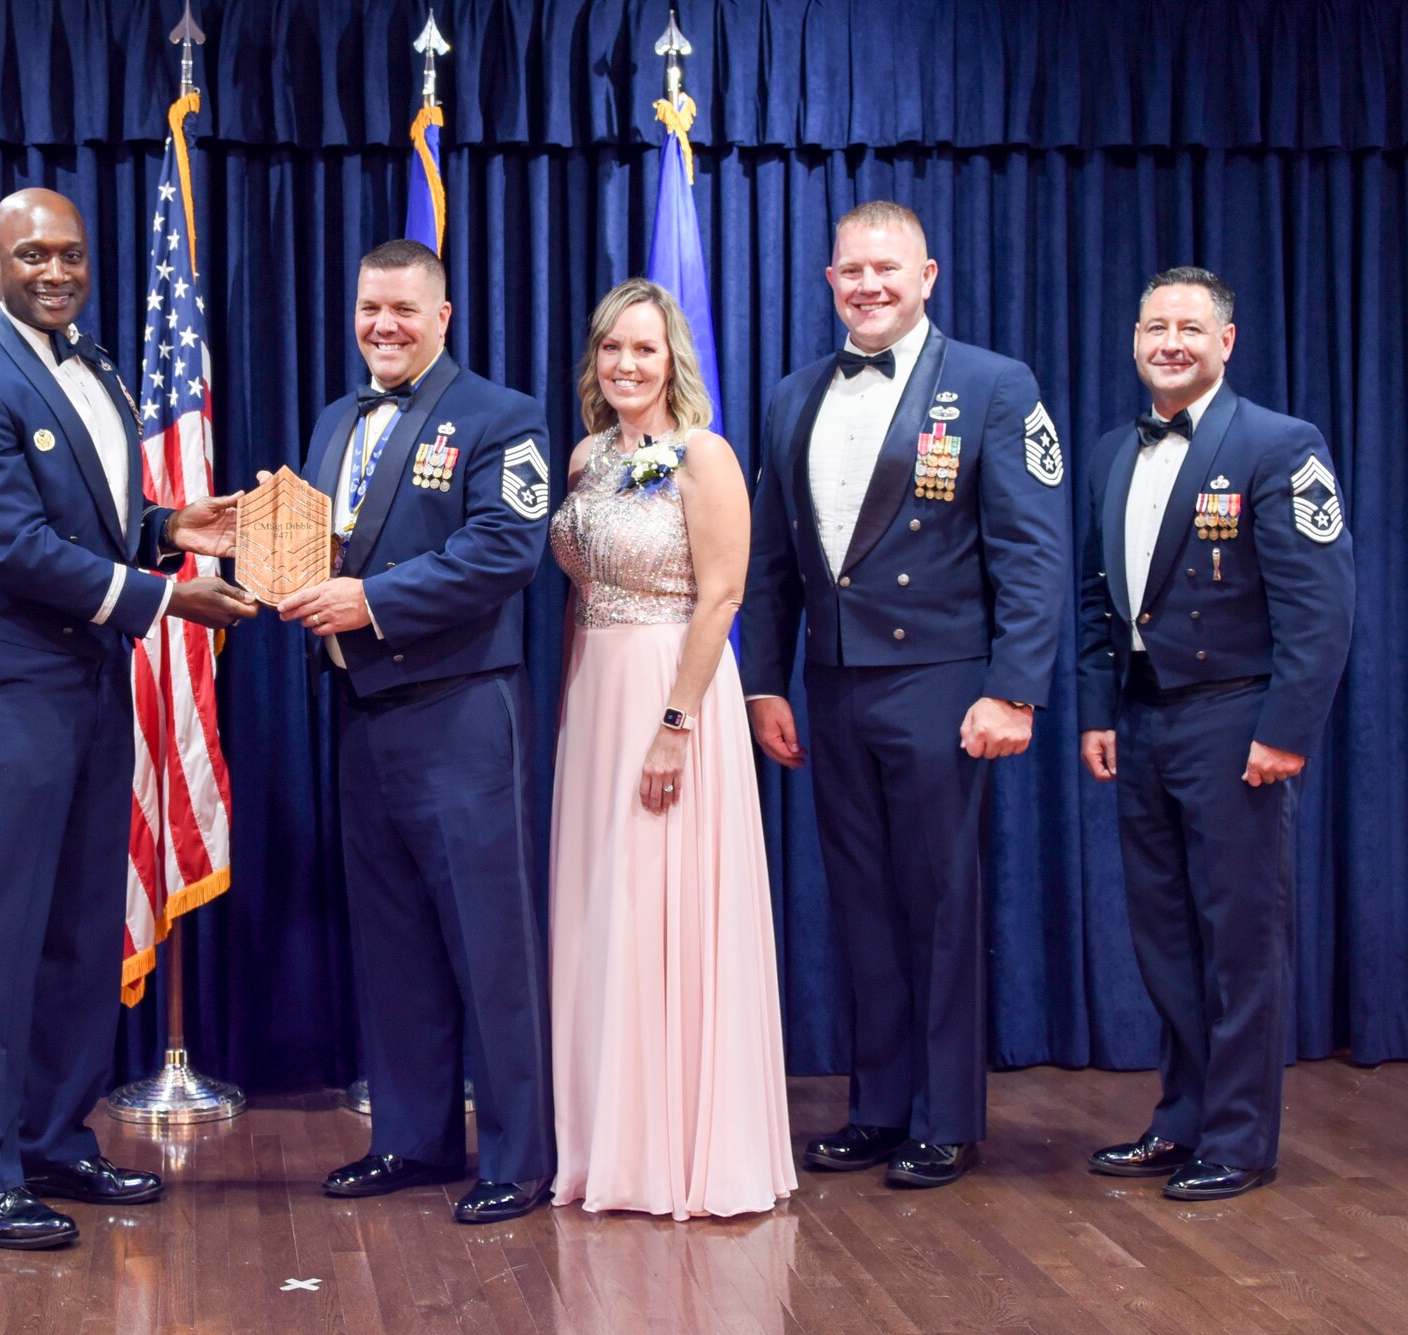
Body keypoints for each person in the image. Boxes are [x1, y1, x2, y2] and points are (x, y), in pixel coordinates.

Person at [0, 188, 256, 1249]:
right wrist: (167, 598)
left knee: (75, 929)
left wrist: (169, 528)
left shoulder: (101, 367)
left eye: (68, 254)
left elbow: (91, 524)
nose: (54, 271)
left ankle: (54, 1139)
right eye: (32, 255)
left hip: (93, 680)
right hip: (10, 684)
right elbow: (12, 546)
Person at [740, 200, 1070, 1188]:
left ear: (927, 276)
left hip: (940, 685)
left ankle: (945, 1116)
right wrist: (763, 680)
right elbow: (770, 563)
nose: (867, 285)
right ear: (829, 281)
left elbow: (1032, 550)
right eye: (850, 271)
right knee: (860, 907)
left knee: (936, 903)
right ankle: (878, 1107)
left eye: (887, 268)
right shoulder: (794, 394)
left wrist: (1013, 690)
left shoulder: (990, 385)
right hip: (832, 688)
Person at [282, 239, 556, 1226]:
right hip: (359, 715)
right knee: (392, 942)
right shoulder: (330, 421)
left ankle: (520, 1157)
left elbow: (503, 550)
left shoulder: (501, 415)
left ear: (443, 315)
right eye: (367, 308)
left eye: (402, 309)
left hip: (461, 712)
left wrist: (370, 603)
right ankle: (413, 1137)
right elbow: (313, 545)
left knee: (490, 948)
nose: (382, 326)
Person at [1076, 267, 1354, 1200]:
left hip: (1239, 721)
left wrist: (1286, 729)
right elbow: (1093, 603)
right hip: (1145, 718)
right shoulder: (1116, 449)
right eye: (1155, 324)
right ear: (1136, 338)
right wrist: (1096, 711)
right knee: (1163, 938)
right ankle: (1183, 1119)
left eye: (1190, 327)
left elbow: (1320, 609)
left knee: (1239, 940)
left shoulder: (1281, 444)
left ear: (1226, 342)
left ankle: (1239, 1137)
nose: (1170, 341)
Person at [547, 279, 797, 1220]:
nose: (626, 366)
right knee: (605, 910)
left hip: (673, 694)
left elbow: (724, 594)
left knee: (667, 904)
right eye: (612, 348)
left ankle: (681, 1153)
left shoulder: (704, 454)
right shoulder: (582, 460)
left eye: (644, 350)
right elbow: (577, 597)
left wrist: (675, 723)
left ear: (672, 361)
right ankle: (608, 1143)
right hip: (596, 695)